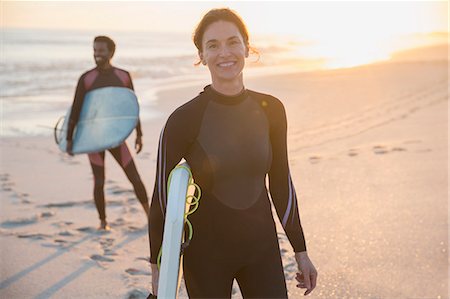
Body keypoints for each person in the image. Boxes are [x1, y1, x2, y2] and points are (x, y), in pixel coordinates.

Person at [148, 8, 317, 298]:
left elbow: (281, 183)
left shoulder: (271, 110)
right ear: (201, 56)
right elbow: (161, 197)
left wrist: (300, 251)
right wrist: (157, 267)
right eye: (212, 45)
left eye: (232, 42)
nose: (224, 52)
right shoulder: (184, 119)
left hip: (262, 250)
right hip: (206, 257)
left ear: (247, 48)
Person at [67, 36, 149, 230]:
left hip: (115, 138)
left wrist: (139, 134)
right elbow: (76, 110)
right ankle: (103, 222)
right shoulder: (86, 79)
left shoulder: (123, 76)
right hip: (93, 139)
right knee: (99, 181)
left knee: (134, 177)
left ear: (111, 52)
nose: (97, 54)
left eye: (101, 51)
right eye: (95, 50)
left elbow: (131, 108)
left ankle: (149, 215)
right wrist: (70, 139)